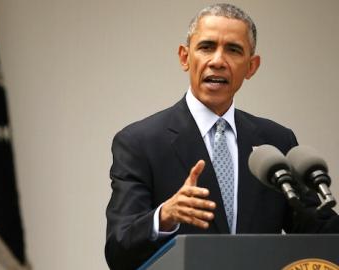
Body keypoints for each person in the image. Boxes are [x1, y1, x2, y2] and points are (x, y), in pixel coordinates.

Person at [105, 3, 339, 270]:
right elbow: (118, 250)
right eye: (206, 47)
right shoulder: (140, 142)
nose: (217, 61)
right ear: (184, 57)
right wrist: (165, 217)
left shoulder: (276, 142)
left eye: (233, 50)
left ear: (251, 67)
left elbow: (320, 231)